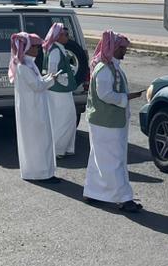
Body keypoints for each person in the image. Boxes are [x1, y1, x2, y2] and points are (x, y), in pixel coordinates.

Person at [83, 30, 142, 213]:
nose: (125, 50)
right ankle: (123, 198)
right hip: (106, 123)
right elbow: (105, 94)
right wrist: (127, 97)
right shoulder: (104, 69)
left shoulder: (112, 67)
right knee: (114, 161)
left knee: (100, 159)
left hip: (108, 121)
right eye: (122, 48)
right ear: (114, 48)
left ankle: (93, 192)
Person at [9, 32, 58, 181]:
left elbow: (37, 82)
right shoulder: (23, 66)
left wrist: (48, 78)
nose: (38, 49)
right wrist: (51, 80)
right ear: (27, 47)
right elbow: (37, 86)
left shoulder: (29, 63)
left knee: (42, 140)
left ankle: (46, 172)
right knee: (36, 142)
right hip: (31, 111)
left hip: (36, 107)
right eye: (35, 46)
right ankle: (39, 174)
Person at [42, 23, 78, 157]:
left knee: (67, 118)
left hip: (60, 90)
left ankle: (65, 148)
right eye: (65, 35)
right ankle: (57, 150)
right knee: (64, 120)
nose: (68, 37)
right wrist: (65, 80)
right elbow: (52, 71)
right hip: (58, 91)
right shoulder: (55, 50)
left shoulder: (57, 48)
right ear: (58, 36)